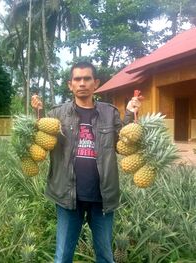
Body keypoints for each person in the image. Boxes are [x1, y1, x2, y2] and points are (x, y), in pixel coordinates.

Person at [31, 61, 140, 263]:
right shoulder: (56, 114)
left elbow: (122, 144)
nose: (82, 83)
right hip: (67, 196)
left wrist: (129, 114)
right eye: (77, 79)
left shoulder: (110, 113)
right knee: (63, 256)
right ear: (70, 84)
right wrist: (36, 113)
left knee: (106, 256)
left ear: (95, 83)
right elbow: (39, 139)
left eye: (87, 78)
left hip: (103, 196)